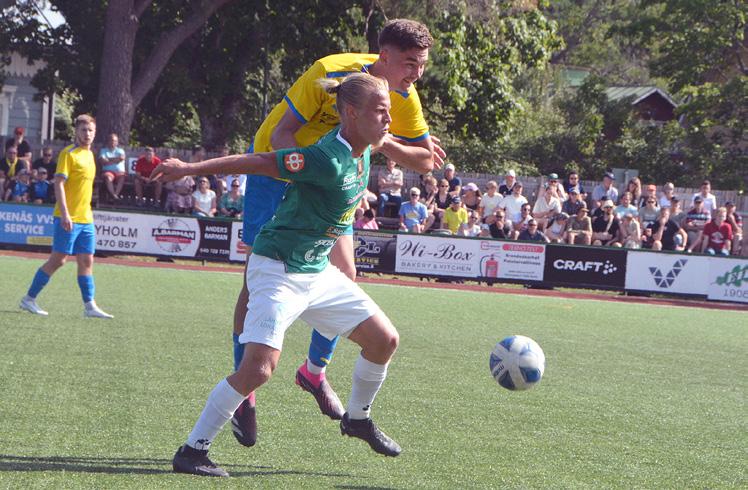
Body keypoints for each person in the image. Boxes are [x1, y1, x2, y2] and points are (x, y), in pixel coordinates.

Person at [153, 73, 403, 477]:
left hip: (317, 272)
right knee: (258, 370)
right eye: (380, 111)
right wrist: (189, 168)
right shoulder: (325, 158)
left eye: (389, 111)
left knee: (384, 340)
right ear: (352, 114)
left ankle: (357, 419)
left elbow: (400, 148)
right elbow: (260, 161)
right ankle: (192, 451)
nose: (388, 119)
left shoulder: (365, 148)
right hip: (278, 270)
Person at [229, 19, 441, 446]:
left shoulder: (403, 97)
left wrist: (382, 141)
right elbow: (280, 133)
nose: (416, 74)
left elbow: (425, 161)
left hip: (331, 181)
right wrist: (310, 181)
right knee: (254, 282)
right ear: (383, 56)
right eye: (409, 63)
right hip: (276, 168)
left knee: (346, 273)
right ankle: (243, 392)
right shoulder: (329, 70)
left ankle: (313, 372)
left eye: (421, 64)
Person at [19, 114, 112, 319]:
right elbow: (58, 184)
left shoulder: (90, 155)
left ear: (95, 133)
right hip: (68, 217)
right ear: (76, 132)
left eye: (90, 130)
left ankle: (90, 306)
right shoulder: (68, 154)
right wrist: (65, 214)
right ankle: (29, 299)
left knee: (86, 261)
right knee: (58, 260)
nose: (87, 134)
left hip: (86, 219)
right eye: (83, 130)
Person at [98, 133, 127, 201]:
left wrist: (108, 160)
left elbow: (121, 158)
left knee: (122, 177)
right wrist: (115, 160)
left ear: (117, 142)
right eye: (112, 140)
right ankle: (114, 195)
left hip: (120, 172)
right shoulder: (103, 150)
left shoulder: (120, 150)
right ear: (108, 141)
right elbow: (102, 161)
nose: (113, 142)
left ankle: (115, 195)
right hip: (108, 172)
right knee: (108, 178)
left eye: (115, 141)